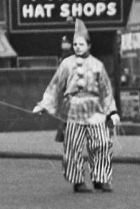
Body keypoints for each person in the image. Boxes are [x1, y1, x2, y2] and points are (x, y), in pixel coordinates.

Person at [33, 17, 119, 193]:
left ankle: (101, 178)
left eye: (80, 44)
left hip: (95, 109)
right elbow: (55, 86)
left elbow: (106, 91)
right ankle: (77, 180)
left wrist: (112, 112)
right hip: (74, 110)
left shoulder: (97, 65)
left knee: (101, 143)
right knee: (73, 145)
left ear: (89, 45)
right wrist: (43, 105)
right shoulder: (66, 64)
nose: (77, 47)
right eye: (75, 44)